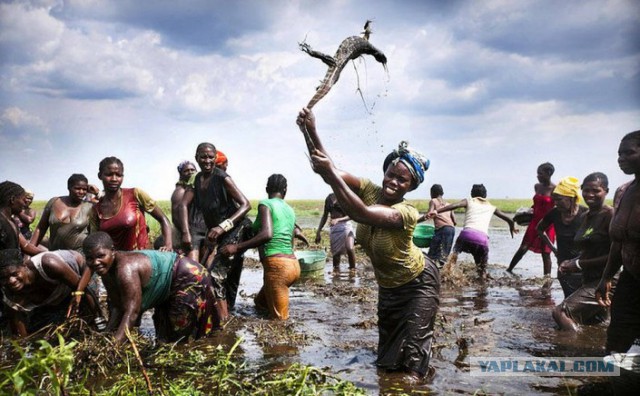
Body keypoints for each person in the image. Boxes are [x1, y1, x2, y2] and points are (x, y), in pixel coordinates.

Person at [297, 107, 438, 379]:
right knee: (386, 363)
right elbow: (330, 170)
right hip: (388, 288)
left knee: (412, 367)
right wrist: (309, 130)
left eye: (402, 179)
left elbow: (362, 213)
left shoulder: (406, 212)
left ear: (410, 187)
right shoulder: (371, 189)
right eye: (391, 174)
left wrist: (332, 176)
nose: (393, 182)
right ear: (384, 171)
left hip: (417, 284)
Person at [82, 232, 218, 343]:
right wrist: (106, 335)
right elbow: (118, 306)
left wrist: (114, 345)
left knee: (180, 338)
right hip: (166, 286)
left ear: (112, 251)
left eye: (100, 256)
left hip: (188, 276)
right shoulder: (106, 270)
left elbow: (132, 312)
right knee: (163, 335)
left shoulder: (125, 269)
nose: (95, 262)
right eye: (90, 258)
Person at [177, 143, 252, 322]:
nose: (208, 161)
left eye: (211, 157)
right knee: (212, 271)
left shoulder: (222, 178)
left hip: (237, 229)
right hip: (217, 233)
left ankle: (222, 323)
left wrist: (221, 227)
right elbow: (183, 205)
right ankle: (225, 311)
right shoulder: (197, 180)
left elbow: (246, 205)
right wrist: (186, 233)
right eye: (203, 157)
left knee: (216, 275)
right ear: (196, 158)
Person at [221, 174, 308, 320]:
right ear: (285, 191)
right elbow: (290, 235)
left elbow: (266, 234)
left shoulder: (266, 204)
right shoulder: (290, 209)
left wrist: (236, 247)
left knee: (280, 322)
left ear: (267, 188)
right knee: (260, 303)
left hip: (278, 268)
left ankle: (283, 344)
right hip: (293, 265)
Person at [596, 130, 640, 354]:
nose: (621, 158)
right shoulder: (623, 192)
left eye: (629, 153)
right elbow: (618, 241)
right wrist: (606, 277)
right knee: (616, 338)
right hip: (630, 279)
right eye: (619, 153)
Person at [552, 173, 613, 331]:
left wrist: (578, 264)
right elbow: (589, 249)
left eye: (596, 190)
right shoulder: (586, 216)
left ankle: (571, 348)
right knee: (597, 324)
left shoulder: (610, 215)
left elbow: (616, 254)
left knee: (561, 312)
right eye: (586, 190)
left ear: (606, 191)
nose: (590, 194)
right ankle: (592, 348)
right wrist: (571, 262)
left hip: (606, 280)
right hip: (589, 277)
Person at [0, 248, 102, 336]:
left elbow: (84, 289)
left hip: (80, 277)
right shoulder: (9, 292)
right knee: (42, 331)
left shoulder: (48, 264)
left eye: (14, 274)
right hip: (55, 297)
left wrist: (99, 322)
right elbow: (18, 329)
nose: (11, 281)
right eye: (4, 278)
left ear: (24, 266)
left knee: (86, 321)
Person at [427, 184, 517, 278]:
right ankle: (482, 286)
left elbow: (455, 205)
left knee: (452, 260)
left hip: (466, 236)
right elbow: (509, 219)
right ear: (485, 195)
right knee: (482, 271)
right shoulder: (491, 207)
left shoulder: (469, 201)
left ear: (472, 194)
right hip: (482, 241)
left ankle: (446, 276)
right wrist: (512, 228)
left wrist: (437, 211)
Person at [91, 156, 172, 251]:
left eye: (118, 175)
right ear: (100, 176)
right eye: (109, 174)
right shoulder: (96, 209)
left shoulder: (135, 194)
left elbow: (163, 218)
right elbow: (95, 240)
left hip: (142, 259)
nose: (114, 179)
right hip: (113, 261)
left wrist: (168, 245)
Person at [537, 176, 588, 298]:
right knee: (569, 298)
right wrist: (553, 249)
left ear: (571, 198)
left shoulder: (586, 215)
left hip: (583, 265)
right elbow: (539, 229)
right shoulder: (554, 213)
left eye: (559, 199)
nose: (556, 203)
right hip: (563, 266)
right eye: (554, 199)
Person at [507, 162, 556, 275]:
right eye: (537, 174)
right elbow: (537, 205)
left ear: (549, 173)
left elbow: (556, 208)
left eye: (540, 174)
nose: (538, 176)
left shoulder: (555, 189)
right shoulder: (537, 187)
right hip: (534, 222)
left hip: (548, 224)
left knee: (546, 252)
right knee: (523, 247)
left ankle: (547, 279)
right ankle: (509, 270)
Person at [31, 174, 94, 251]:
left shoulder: (89, 207)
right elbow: (41, 228)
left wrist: (97, 193)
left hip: (79, 255)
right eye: (77, 188)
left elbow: (94, 234)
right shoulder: (54, 202)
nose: (81, 192)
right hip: (55, 255)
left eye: (84, 189)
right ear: (69, 187)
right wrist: (29, 251)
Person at [0, 181, 46, 256]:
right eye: (23, 200)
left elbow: (25, 246)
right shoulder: (2, 221)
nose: (25, 203)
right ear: (13, 199)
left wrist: (51, 255)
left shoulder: (12, 222)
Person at [315, 193, 356, 270]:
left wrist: (338, 219)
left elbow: (352, 215)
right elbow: (325, 216)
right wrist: (318, 231)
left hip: (345, 226)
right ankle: (336, 272)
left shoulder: (345, 196)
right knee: (336, 254)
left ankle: (353, 271)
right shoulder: (329, 198)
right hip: (334, 228)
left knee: (350, 248)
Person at [423, 184, 456, 267]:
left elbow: (430, 214)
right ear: (442, 193)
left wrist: (418, 221)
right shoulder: (449, 204)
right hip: (451, 229)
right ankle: (444, 273)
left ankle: (430, 272)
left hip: (441, 229)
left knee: (432, 255)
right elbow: (454, 221)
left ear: (432, 193)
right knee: (444, 255)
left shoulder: (433, 201)